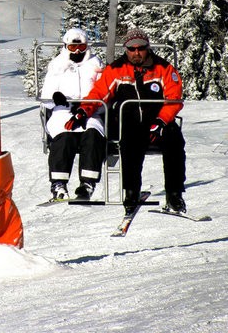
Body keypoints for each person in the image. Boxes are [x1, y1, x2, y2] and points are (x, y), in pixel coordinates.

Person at [77, 28, 186, 215]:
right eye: (132, 48)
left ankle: (174, 193)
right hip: (130, 121)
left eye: (141, 48)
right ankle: (131, 191)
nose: (136, 53)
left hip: (159, 121)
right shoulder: (117, 69)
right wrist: (83, 110)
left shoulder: (163, 68)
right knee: (129, 145)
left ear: (147, 48)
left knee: (175, 143)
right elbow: (99, 94)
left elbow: (174, 99)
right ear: (126, 49)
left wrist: (161, 121)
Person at [40, 28, 106, 201]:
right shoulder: (57, 65)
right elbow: (46, 97)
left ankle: (88, 183)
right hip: (63, 111)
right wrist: (56, 98)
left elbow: (104, 95)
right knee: (64, 136)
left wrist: (91, 107)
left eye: (81, 47)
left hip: (90, 112)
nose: (77, 51)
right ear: (65, 47)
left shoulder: (95, 65)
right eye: (72, 47)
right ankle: (59, 184)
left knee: (93, 135)